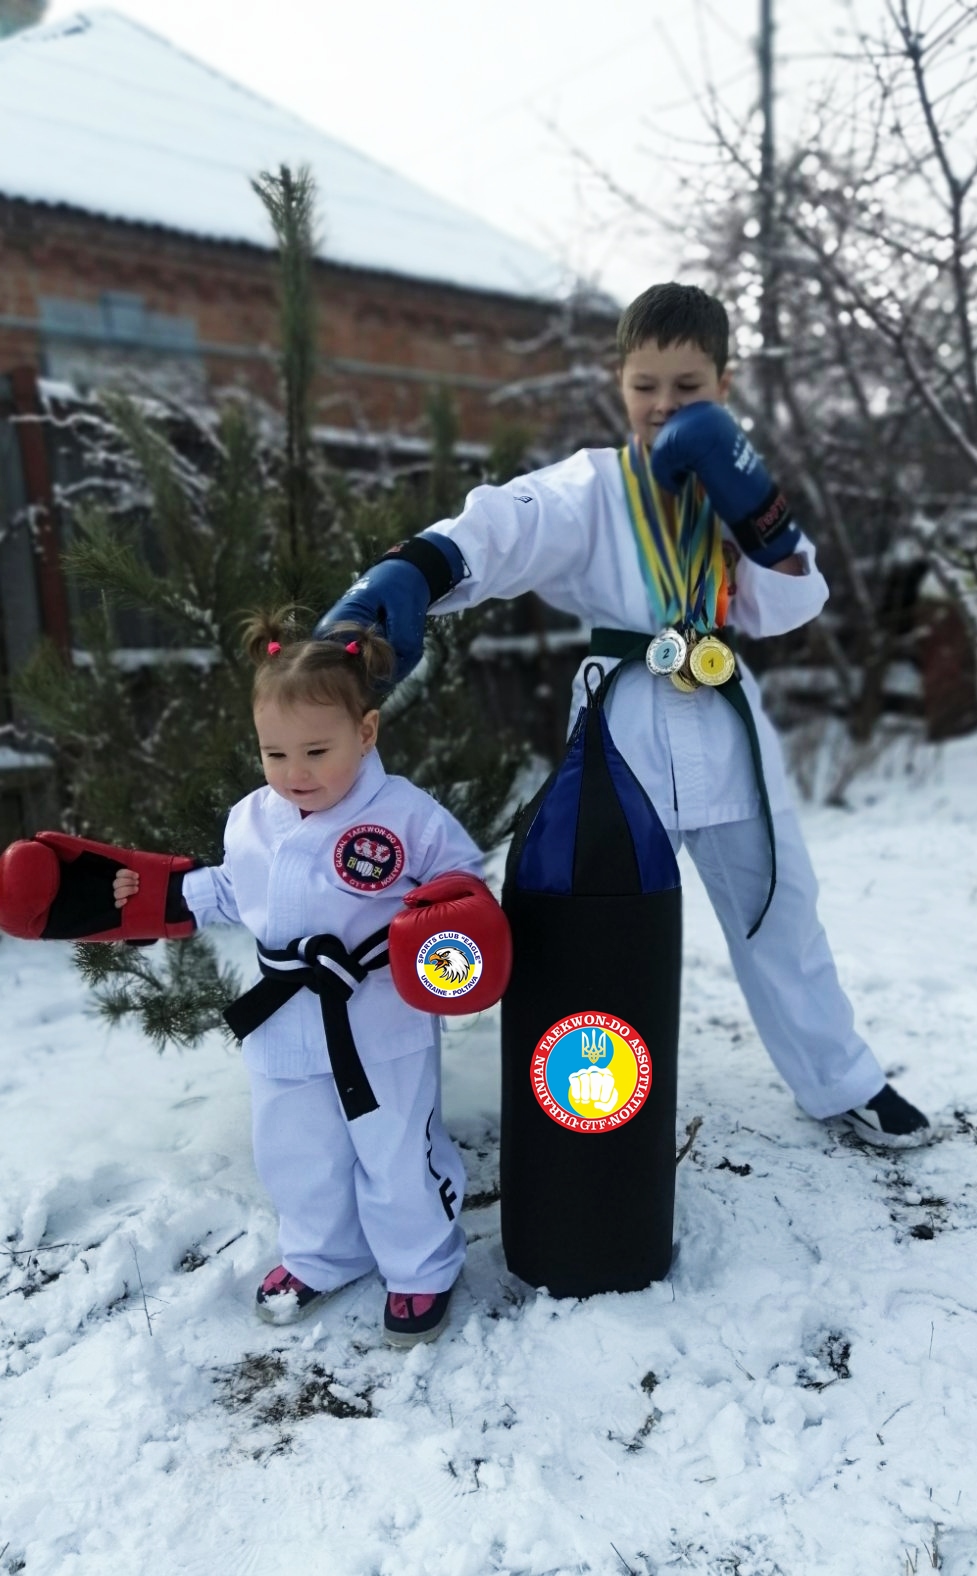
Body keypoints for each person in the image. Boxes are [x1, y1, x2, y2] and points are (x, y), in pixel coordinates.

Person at [315, 281, 931, 1151]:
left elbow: (791, 606)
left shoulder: (733, 487)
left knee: (781, 907)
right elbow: (507, 524)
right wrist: (419, 566)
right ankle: (584, 1093)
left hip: (723, 717)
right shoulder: (592, 486)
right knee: (593, 918)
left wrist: (759, 515)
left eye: (687, 387)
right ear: (619, 381)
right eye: (646, 385)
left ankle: (840, 1081)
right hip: (622, 727)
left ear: (725, 382)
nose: (663, 406)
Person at [107, 617, 504, 1345]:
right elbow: (232, 891)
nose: (296, 771)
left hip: (378, 1015)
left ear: (367, 730)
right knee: (295, 1149)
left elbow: (460, 880)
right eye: (275, 752)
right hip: (286, 1019)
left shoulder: (405, 814)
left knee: (394, 1146)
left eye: (317, 751)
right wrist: (157, 895)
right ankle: (323, 1256)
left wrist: (457, 919)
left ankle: (421, 1266)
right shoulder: (251, 819)